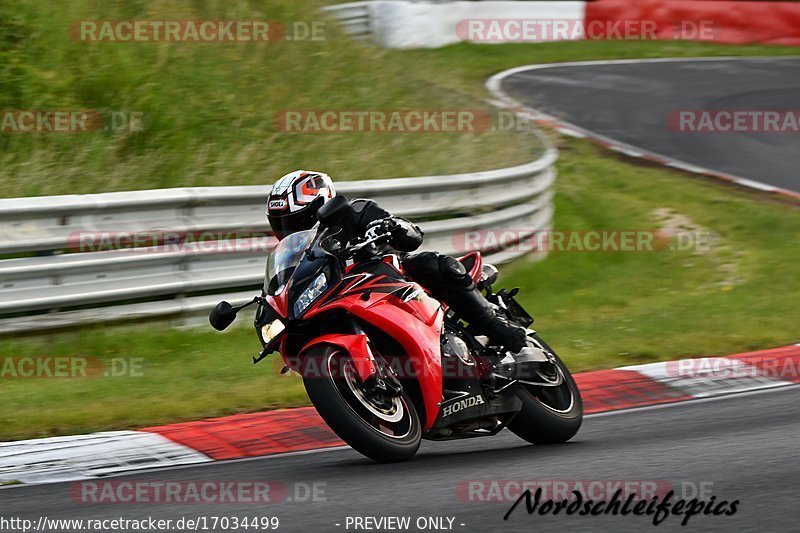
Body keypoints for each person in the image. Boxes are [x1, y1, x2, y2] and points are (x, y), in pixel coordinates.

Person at [266, 170, 527, 353]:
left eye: (298, 221)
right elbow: (287, 281)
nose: (291, 230)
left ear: (321, 204)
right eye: (282, 225)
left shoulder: (354, 212)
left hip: (394, 279)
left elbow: (411, 235)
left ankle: (496, 326)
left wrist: (391, 227)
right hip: (347, 297)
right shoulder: (299, 254)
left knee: (432, 264)